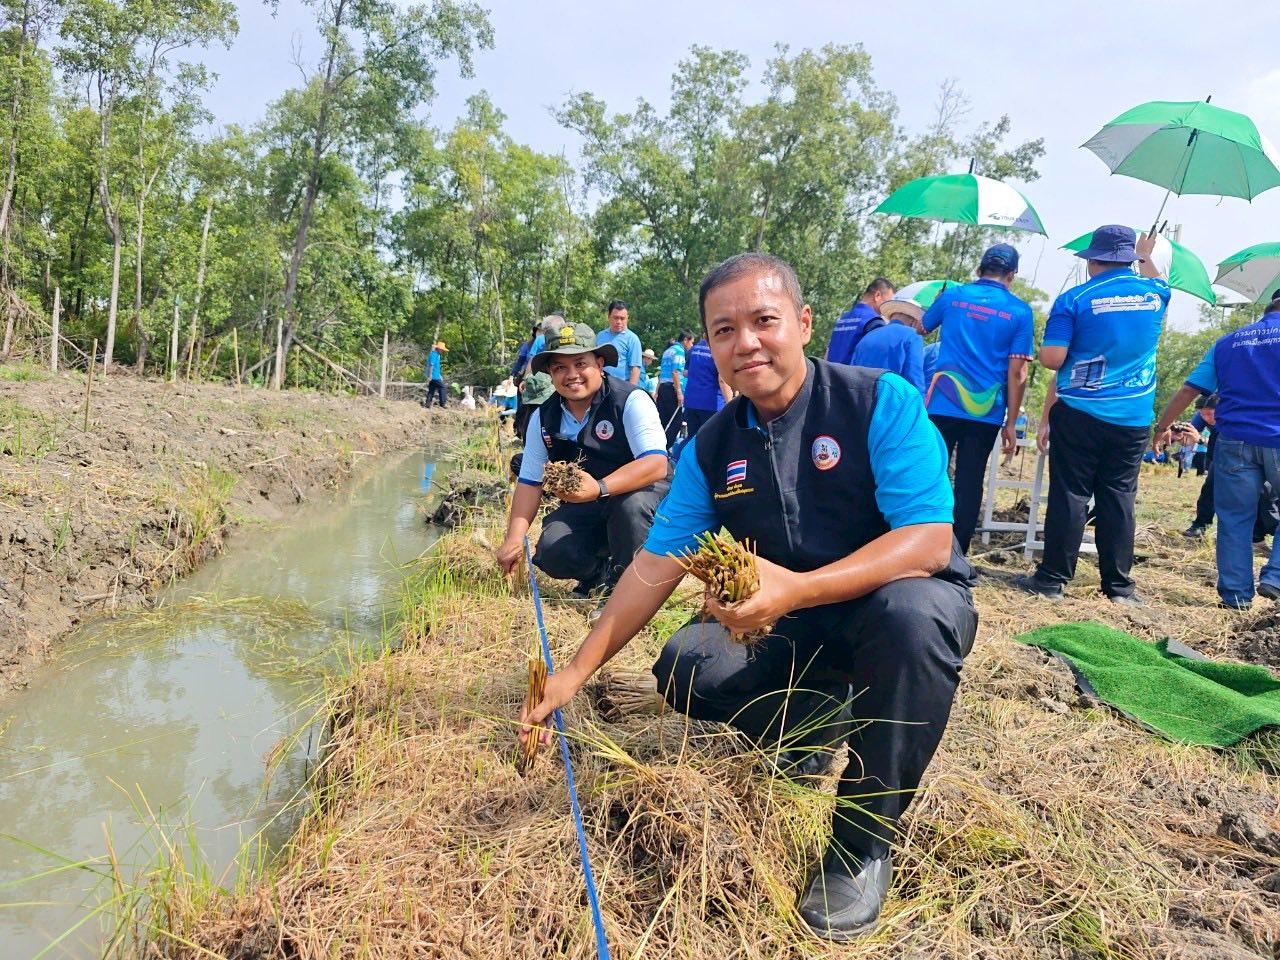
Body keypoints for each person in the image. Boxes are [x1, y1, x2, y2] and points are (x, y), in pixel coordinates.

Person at [518, 253, 977, 941]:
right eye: (724, 330)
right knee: (685, 667)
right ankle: (815, 717)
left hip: (891, 603)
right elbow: (654, 565)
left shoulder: (877, 400)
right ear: (709, 345)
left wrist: (796, 587)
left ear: (802, 322)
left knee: (914, 619)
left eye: (763, 321)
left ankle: (861, 841)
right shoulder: (712, 447)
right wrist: (575, 673)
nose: (746, 342)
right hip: (792, 620)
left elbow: (928, 542)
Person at [1014, 226, 1168, 605]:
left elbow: (1052, 359)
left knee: (1071, 493)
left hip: (1081, 411)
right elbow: (1158, 280)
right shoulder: (1157, 295)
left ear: (1091, 260)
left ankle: (1052, 581)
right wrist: (1146, 255)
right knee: (1118, 497)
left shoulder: (1074, 299)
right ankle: (1118, 587)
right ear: (1130, 258)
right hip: (1132, 417)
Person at [496, 323, 670, 618]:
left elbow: (656, 464)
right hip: (590, 502)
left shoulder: (630, 400)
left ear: (600, 364)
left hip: (642, 494)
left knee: (631, 508)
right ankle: (598, 573)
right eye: (560, 367)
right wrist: (514, 539)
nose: (572, 374)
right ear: (551, 374)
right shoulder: (543, 416)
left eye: (581, 363)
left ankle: (626, 590)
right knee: (551, 551)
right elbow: (529, 482)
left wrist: (599, 487)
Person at [1153, 292, 1280, 608]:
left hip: (1234, 440)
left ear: (1268, 309)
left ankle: (1236, 596)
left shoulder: (1229, 342)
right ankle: (1275, 578)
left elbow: (1189, 389)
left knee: (1235, 518)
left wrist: (1162, 426)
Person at [922, 244, 1034, 554]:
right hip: (985, 410)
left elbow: (922, 326)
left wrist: (938, 304)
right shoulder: (1020, 312)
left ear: (978, 269)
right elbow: (1017, 373)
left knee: (930, 473)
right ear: (1011, 275)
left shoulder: (952, 296)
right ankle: (955, 553)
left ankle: (919, 543)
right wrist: (1012, 423)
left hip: (942, 401)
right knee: (970, 482)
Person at [852, 295, 925, 394]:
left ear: (891, 316)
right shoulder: (912, 335)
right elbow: (915, 381)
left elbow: (852, 375)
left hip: (861, 402)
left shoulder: (866, 337)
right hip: (891, 403)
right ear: (914, 321)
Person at [825, 278, 896, 365]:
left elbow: (827, 353)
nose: (888, 307)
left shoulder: (842, 319)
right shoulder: (874, 322)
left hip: (831, 374)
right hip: (854, 376)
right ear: (877, 295)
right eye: (888, 302)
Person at [681, 333, 732, 437]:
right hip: (712, 404)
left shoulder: (693, 349)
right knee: (712, 441)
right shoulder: (718, 349)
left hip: (691, 401)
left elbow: (685, 373)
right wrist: (730, 405)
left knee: (693, 440)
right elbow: (722, 380)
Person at [657, 331, 693, 447]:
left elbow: (664, 372)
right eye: (691, 342)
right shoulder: (679, 351)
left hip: (663, 387)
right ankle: (665, 448)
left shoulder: (668, 350)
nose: (691, 346)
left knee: (663, 420)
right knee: (676, 422)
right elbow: (676, 372)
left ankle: (657, 446)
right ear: (685, 340)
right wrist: (679, 392)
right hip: (672, 388)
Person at [596, 299, 643, 384]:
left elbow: (635, 368)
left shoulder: (632, 339)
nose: (619, 322)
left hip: (621, 387)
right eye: (616, 318)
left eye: (622, 318)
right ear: (609, 317)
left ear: (627, 318)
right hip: (600, 384)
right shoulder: (600, 336)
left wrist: (630, 391)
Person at [424, 341, 448, 408]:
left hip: (436, 375)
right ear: (439, 349)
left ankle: (427, 404)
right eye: (442, 350)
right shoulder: (434, 354)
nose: (443, 351)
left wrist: (440, 375)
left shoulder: (437, 355)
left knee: (431, 389)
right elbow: (431, 365)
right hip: (434, 376)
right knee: (443, 387)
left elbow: (436, 367)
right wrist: (430, 375)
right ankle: (443, 404)